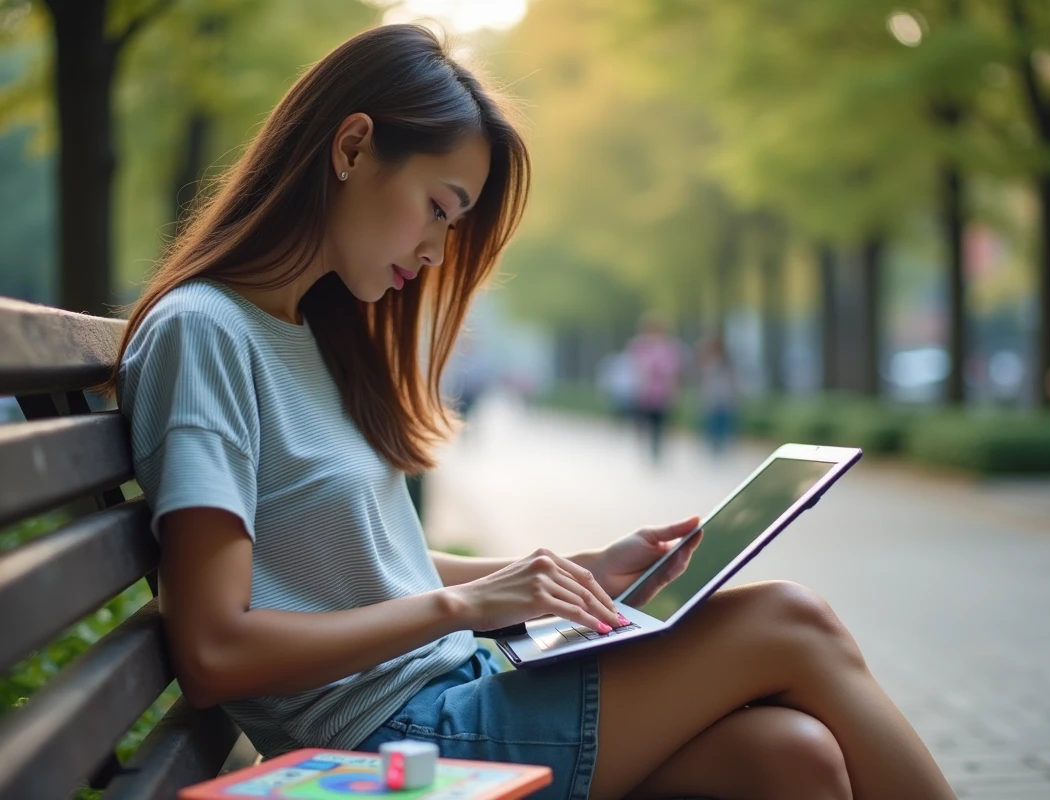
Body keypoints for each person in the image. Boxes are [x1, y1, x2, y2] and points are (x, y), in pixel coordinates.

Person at [110, 25, 954, 800]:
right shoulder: (207, 334)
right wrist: (469, 608)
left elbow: (368, 565)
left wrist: (565, 576)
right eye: (439, 208)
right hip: (387, 744)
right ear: (355, 146)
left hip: (448, 694)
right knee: (789, 620)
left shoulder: (307, 331)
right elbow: (216, 652)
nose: (438, 251)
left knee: (792, 757)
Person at [628, 316, 685, 464]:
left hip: (663, 392)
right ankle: (647, 447)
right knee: (645, 423)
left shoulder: (670, 348)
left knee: (660, 423)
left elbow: (674, 371)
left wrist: (675, 390)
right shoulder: (640, 346)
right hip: (645, 392)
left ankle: (657, 450)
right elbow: (635, 368)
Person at [696, 331, 739, 456]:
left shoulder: (727, 360)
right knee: (712, 421)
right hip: (711, 395)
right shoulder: (705, 359)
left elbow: (733, 378)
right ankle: (713, 444)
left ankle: (721, 444)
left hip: (724, 395)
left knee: (723, 421)